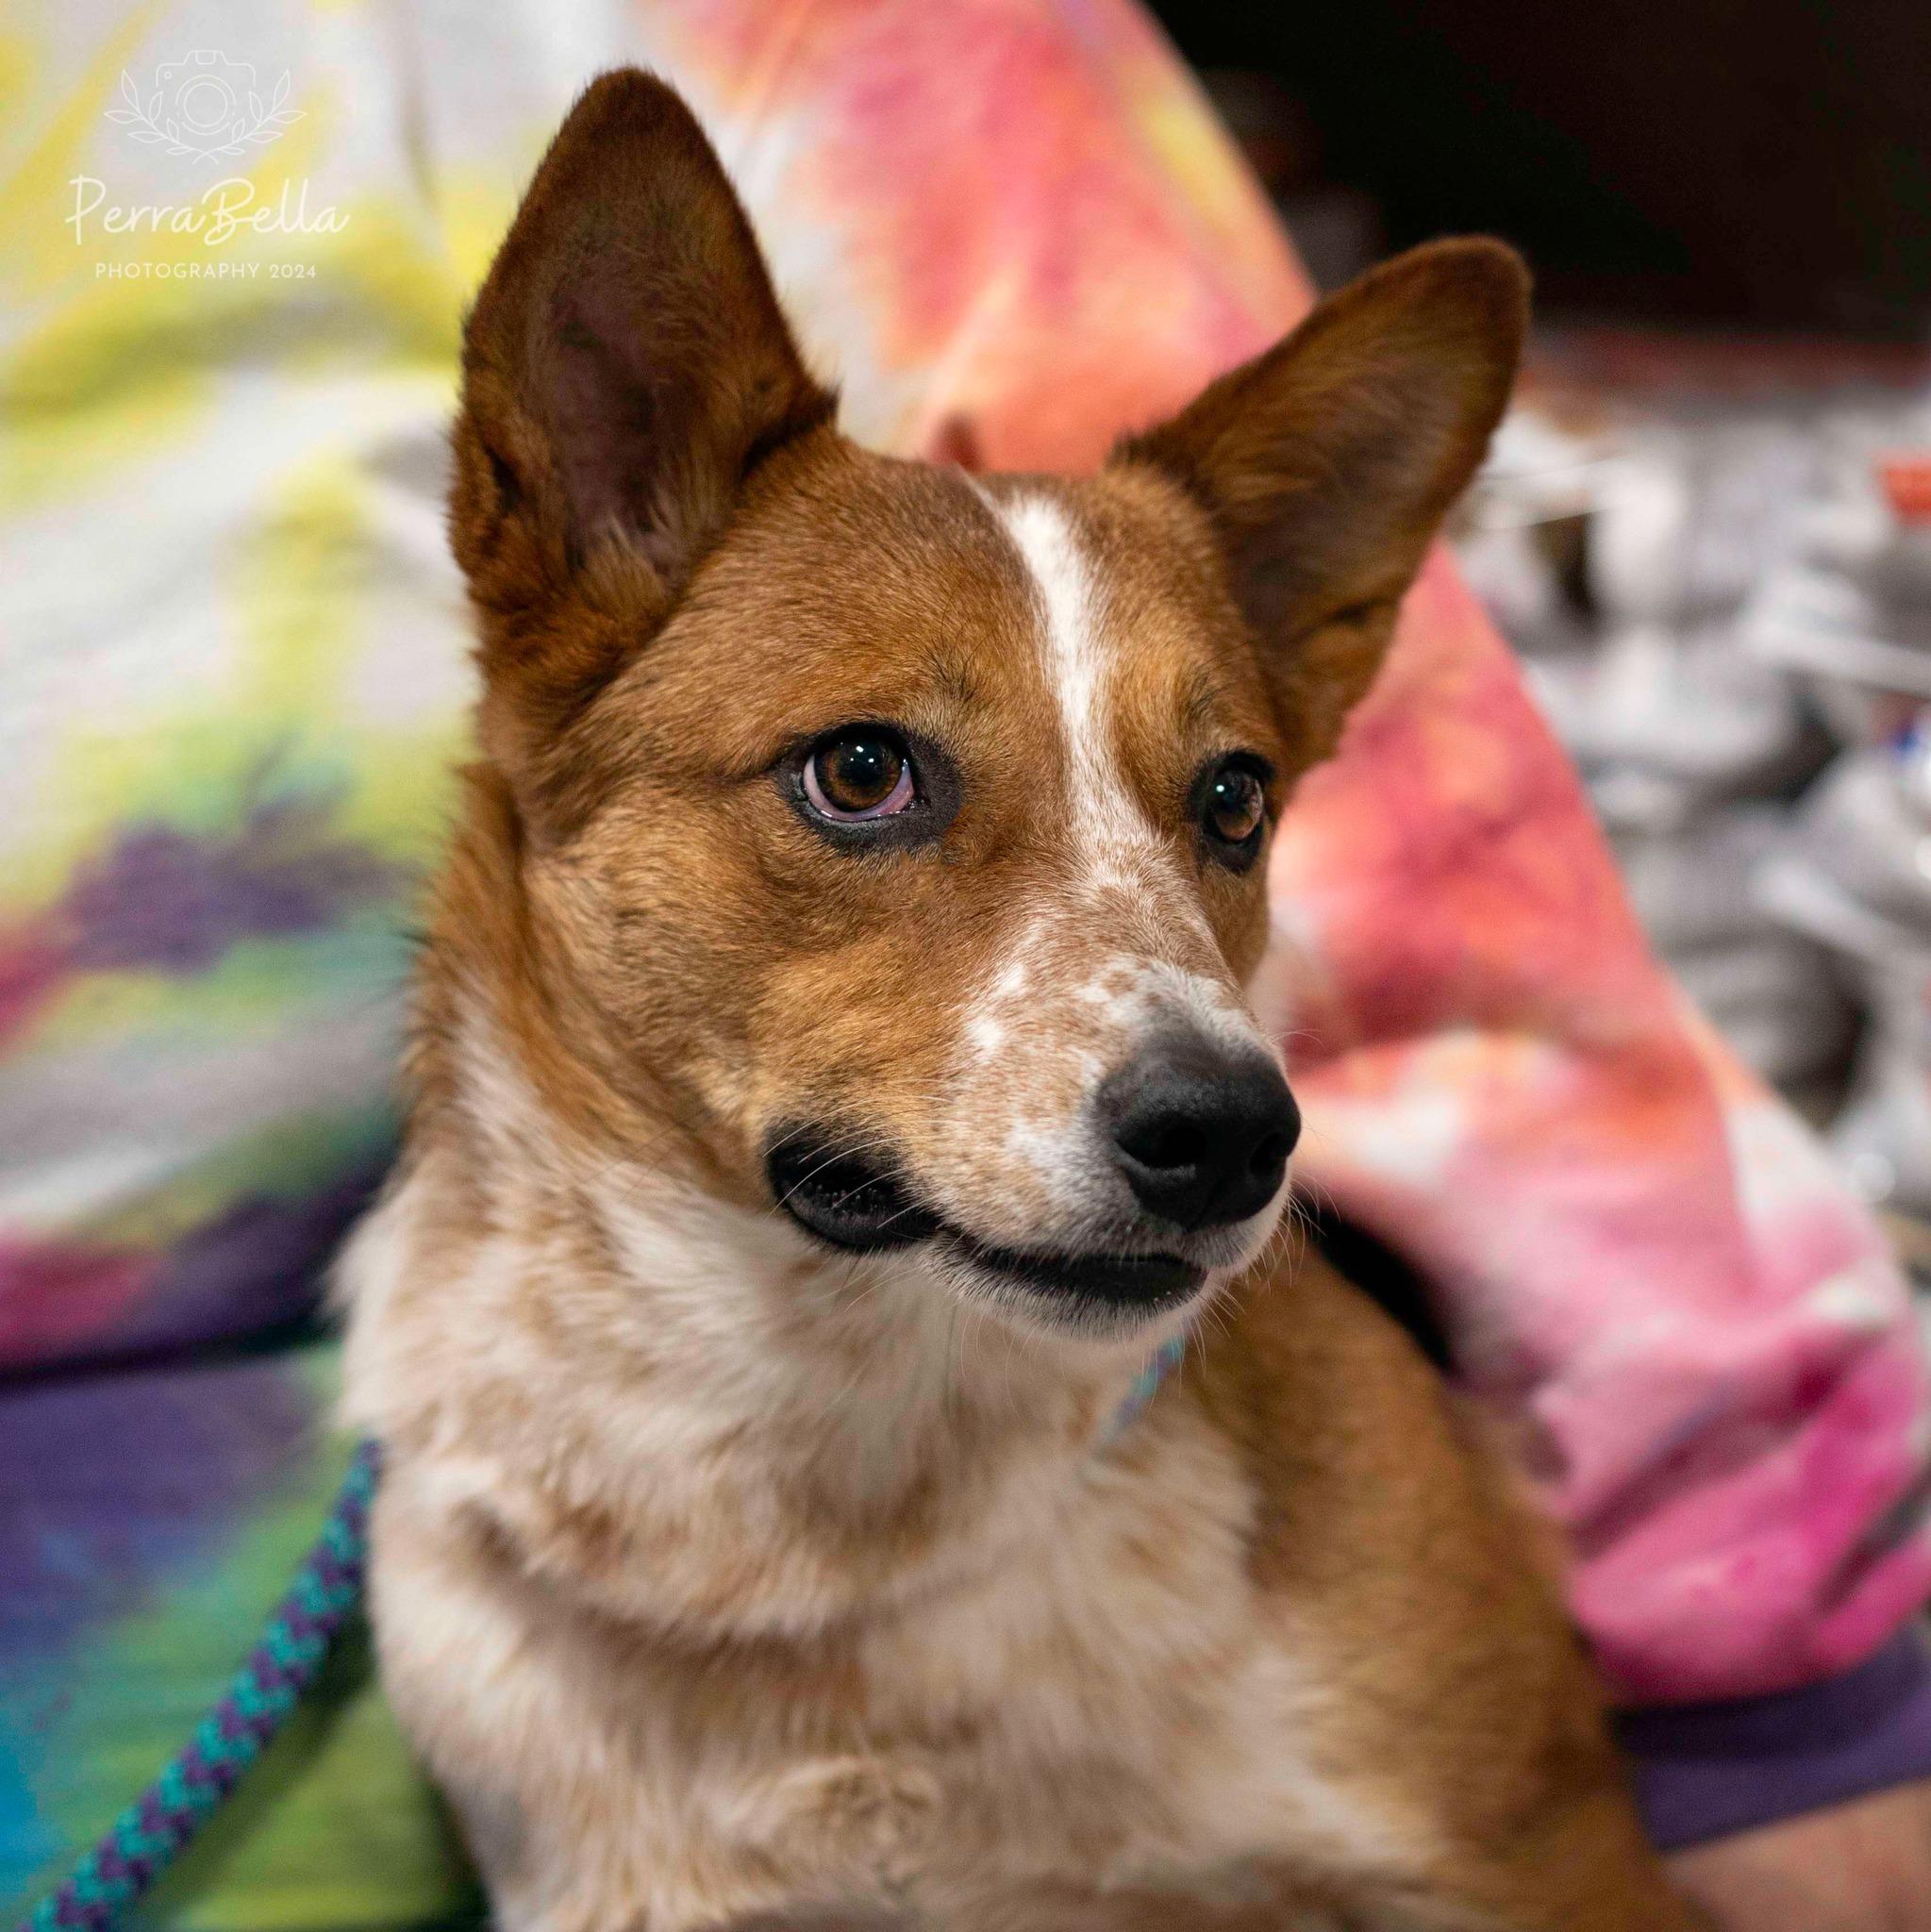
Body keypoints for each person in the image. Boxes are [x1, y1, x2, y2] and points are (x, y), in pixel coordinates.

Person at [3, 3, 1926, 1924]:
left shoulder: (1334, 1494)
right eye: (865, 778)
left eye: (1218, 804)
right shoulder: (481, 1619)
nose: (1193, 1061)